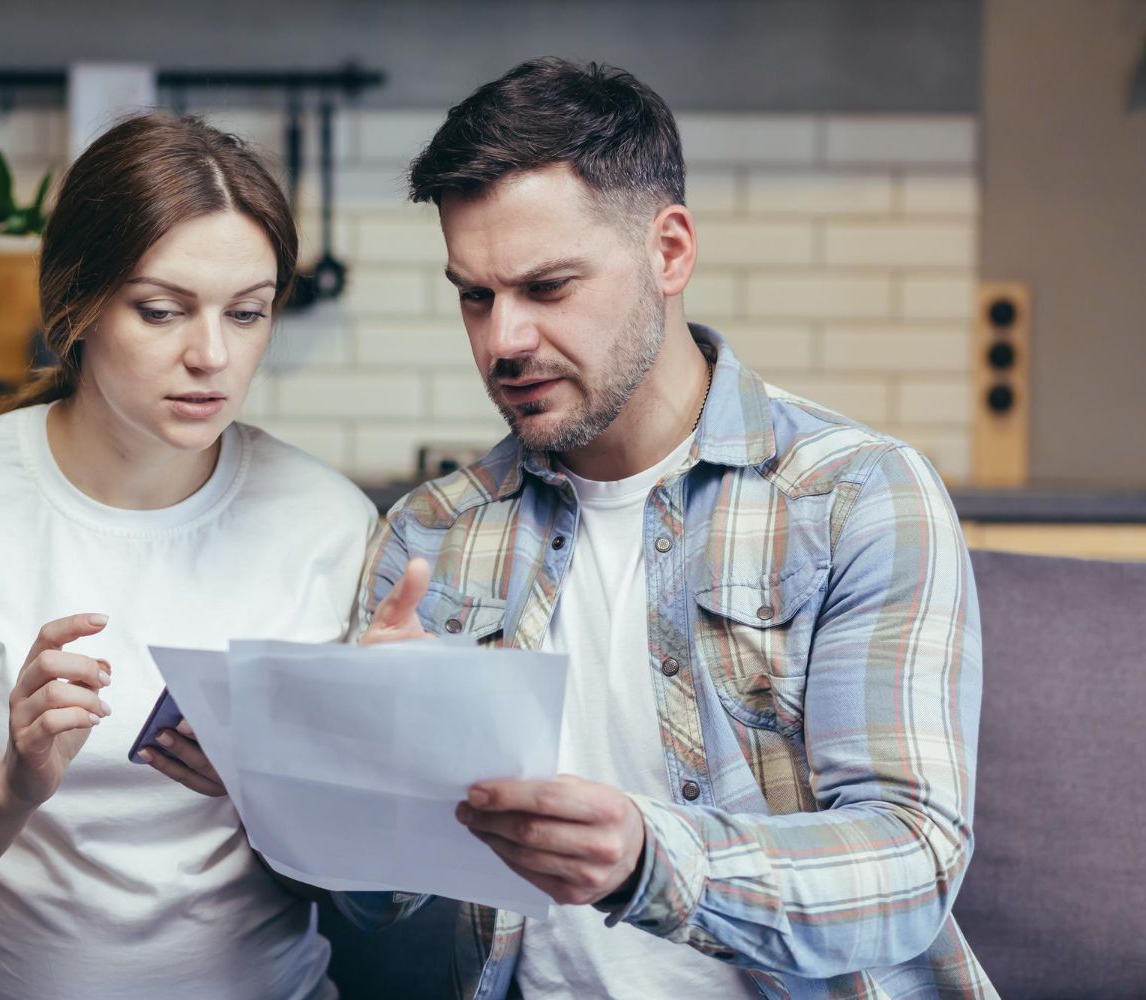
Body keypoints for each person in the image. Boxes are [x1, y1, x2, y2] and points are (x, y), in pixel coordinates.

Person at [351, 59, 995, 998]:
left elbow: (912, 863)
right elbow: (374, 905)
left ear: (671, 251)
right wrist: (358, 763)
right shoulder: (431, 534)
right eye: (475, 295)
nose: (503, 341)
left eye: (549, 286)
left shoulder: (857, 496)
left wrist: (652, 859)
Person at [0, 113, 374, 1000]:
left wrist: (268, 792)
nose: (211, 355)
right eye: (162, 311)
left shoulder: (331, 526)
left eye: (247, 314)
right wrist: (10, 786)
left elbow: (373, 890)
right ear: (79, 305)